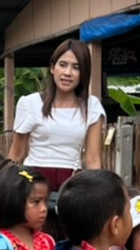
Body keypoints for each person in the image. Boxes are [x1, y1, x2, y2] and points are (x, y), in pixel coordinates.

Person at [9, 38, 105, 193]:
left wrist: (97, 193)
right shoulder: (29, 103)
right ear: (53, 68)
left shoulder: (92, 106)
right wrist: (6, 187)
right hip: (32, 184)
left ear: (83, 73)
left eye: (76, 67)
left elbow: (93, 160)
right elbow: (17, 153)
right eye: (63, 65)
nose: (68, 73)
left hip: (72, 185)